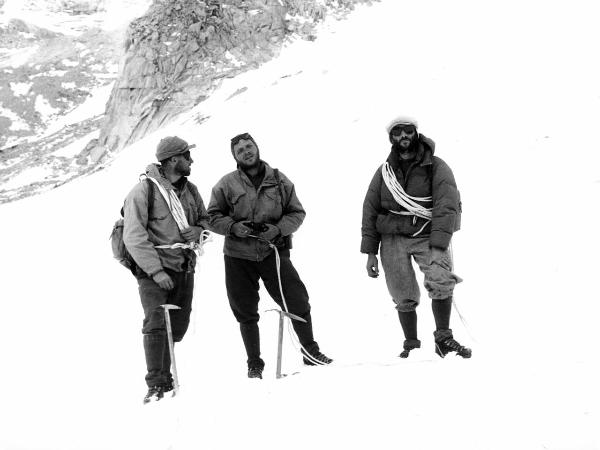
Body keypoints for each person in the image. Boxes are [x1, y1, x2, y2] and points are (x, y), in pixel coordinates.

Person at [207, 132, 332, 379]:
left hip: (273, 252)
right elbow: (211, 216)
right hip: (237, 256)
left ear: (257, 147)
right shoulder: (225, 184)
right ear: (235, 157)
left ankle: (310, 351)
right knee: (245, 310)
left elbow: (297, 212)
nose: (246, 152)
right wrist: (233, 227)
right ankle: (254, 364)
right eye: (240, 150)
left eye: (249, 146)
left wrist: (278, 229)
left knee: (296, 299)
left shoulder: (279, 179)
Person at [361, 116, 471, 359]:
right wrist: (370, 253)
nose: (403, 137)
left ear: (416, 133)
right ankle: (410, 344)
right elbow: (370, 209)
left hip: (427, 233)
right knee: (401, 290)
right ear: (391, 138)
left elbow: (446, 204)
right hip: (392, 237)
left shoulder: (436, 167)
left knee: (441, 279)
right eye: (397, 132)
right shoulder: (385, 172)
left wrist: (440, 244)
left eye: (408, 131)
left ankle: (443, 338)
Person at [123, 136, 210, 403]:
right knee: (156, 322)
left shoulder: (191, 190)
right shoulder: (143, 191)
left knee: (178, 326)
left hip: (184, 266)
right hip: (154, 270)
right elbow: (134, 236)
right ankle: (157, 383)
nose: (191, 160)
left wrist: (198, 230)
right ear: (173, 160)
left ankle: (165, 379)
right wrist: (156, 272)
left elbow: (204, 221)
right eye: (186, 156)